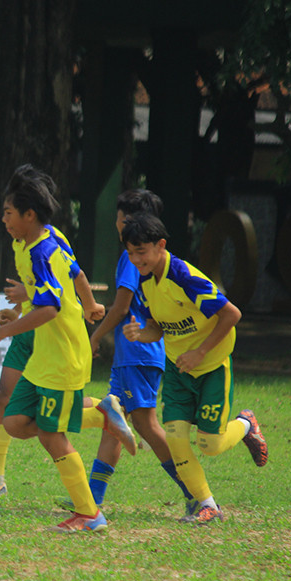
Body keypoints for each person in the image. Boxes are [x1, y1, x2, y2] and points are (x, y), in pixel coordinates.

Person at [0, 166, 131, 532]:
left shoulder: (44, 249)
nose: (4, 219)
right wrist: (87, 304)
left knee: (49, 434)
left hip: (62, 354)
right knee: (14, 421)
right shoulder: (29, 241)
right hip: (44, 353)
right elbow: (72, 276)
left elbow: (50, 307)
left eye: (9, 213)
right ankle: (103, 413)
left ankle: (89, 514)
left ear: (29, 215)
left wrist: (4, 331)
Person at [57, 190, 196, 516]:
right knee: (113, 421)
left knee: (147, 426)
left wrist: (96, 336)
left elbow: (120, 308)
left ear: (132, 220)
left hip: (139, 352)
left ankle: (195, 492)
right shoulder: (139, 253)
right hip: (132, 354)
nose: (117, 223)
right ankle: (92, 496)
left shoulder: (133, 255)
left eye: (120, 218)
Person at [122, 212, 267, 524]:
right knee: (175, 439)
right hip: (178, 369)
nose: (136, 259)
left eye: (141, 251)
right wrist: (140, 333)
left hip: (212, 365)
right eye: (130, 253)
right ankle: (208, 505)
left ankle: (245, 424)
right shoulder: (145, 282)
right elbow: (157, 328)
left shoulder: (183, 276)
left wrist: (200, 353)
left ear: (161, 245)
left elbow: (232, 314)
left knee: (210, 444)